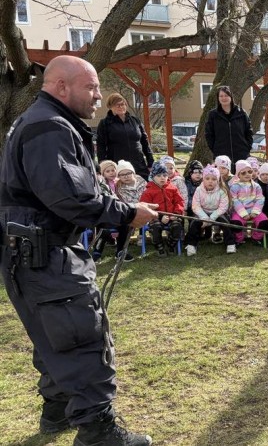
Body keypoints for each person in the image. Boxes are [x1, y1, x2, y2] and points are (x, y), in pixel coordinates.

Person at [0, 55, 156, 445]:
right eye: (91, 87)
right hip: (45, 254)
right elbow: (69, 197)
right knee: (81, 337)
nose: (99, 95)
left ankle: (56, 413)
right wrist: (126, 214)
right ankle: (98, 432)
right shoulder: (48, 127)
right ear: (61, 86)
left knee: (54, 336)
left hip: (30, 254)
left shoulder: (45, 122)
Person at [96, 92, 154, 180]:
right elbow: (101, 146)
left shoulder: (135, 121)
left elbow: (145, 142)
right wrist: (103, 165)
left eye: (123, 104)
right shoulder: (105, 123)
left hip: (138, 164)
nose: (121, 107)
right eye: (117, 105)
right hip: (118, 165)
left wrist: (151, 162)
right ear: (110, 106)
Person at [186, 165, 236, 256]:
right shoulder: (198, 190)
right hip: (202, 212)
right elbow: (195, 206)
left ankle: (230, 243)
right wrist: (204, 217)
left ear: (218, 180)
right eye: (207, 178)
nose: (210, 181)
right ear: (203, 179)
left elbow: (223, 207)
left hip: (217, 212)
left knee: (226, 223)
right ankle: (191, 244)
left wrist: (212, 217)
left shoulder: (222, 191)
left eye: (213, 179)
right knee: (194, 223)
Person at [140, 161, 185, 257]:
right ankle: (159, 246)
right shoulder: (148, 191)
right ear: (153, 177)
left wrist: (176, 214)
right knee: (155, 228)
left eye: (165, 175)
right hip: (155, 217)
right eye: (159, 175)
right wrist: (159, 217)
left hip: (172, 216)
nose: (162, 178)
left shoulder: (173, 188)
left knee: (177, 226)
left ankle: (171, 244)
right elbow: (145, 207)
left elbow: (179, 202)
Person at [204, 85, 254, 164]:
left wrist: (247, 148)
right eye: (221, 96)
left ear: (231, 97)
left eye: (226, 95)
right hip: (221, 156)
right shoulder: (213, 115)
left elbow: (249, 132)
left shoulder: (241, 113)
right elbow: (209, 134)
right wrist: (215, 149)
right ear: (218, 98)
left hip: (241, 155)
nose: (224, 98)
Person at [228, 160, 268, 246]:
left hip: (254, 211)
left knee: (264, 222)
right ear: (238, 174)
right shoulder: (234, 187)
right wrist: (243, 214)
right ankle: (239, 239)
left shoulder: (256, 186)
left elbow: (260, 199)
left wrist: (255, 212)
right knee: (235, 223)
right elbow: (235, 201)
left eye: (249, 171)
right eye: (243, 173)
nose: (247, 174)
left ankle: (256, 237)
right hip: (239, 212)